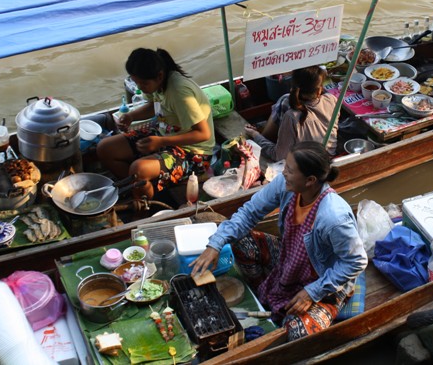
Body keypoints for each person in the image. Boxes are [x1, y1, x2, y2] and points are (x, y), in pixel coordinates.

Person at [189, 141, 367, 341]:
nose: (283, 173)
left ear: (310, 180)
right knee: (241, 241)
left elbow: (356, 262)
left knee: (298, 332)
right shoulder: (285, 185)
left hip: (322, 280)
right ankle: (261, 294)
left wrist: (312, 292)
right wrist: (216, 243)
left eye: (290, 170)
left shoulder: (334, 217)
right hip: (289, 260)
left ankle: (295, 306)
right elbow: (249, 212)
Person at [96, 48, 215, 201]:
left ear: (159, 76)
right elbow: (155, 105)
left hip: (195, 153)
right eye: (136, 82)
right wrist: (131, 116)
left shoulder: (180, 92)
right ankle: (141, 189)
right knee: (105, 148)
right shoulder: (155, 83)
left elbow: (203, 133)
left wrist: (161, 142)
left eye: (143, 83)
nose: (139, 88)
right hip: (163, 133)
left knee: (138, 169)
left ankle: (145, 205)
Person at [244, 66, 338, 162]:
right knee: (284, 100)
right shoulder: (332, 100)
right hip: (328, 156)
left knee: (284, 100)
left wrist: (255, 135)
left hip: (309, 166)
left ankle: (263, 135)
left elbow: (278, 155)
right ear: (319, 91)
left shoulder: (291, 116)